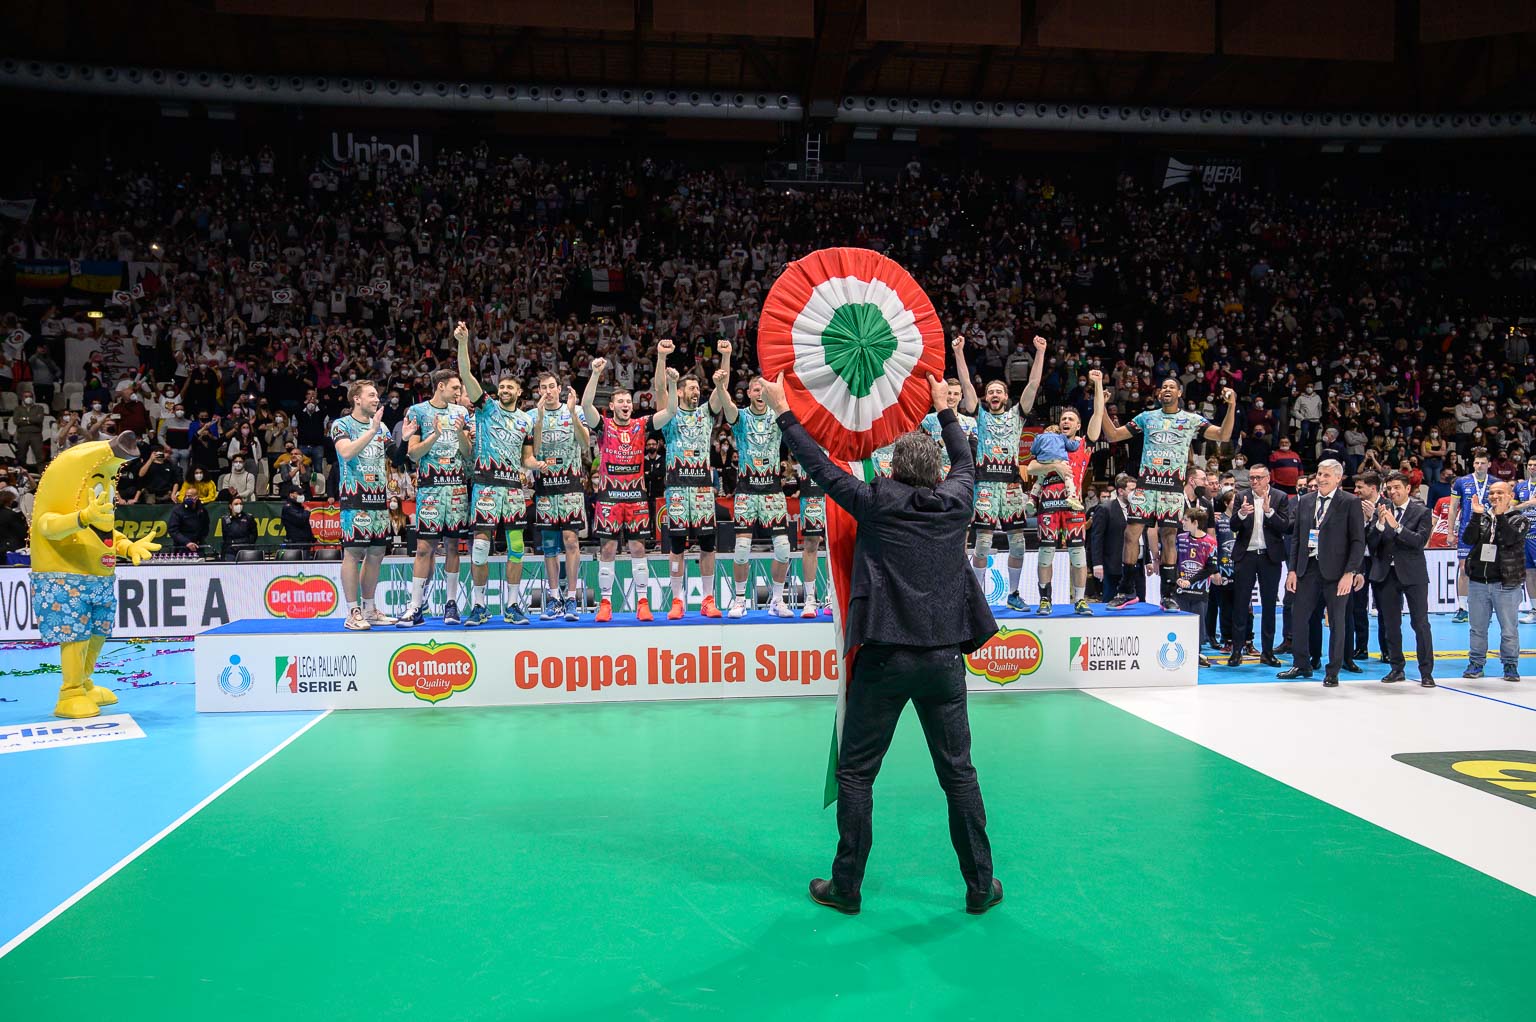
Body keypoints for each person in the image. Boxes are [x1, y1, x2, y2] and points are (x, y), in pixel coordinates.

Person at [765, 372, 1001, 917]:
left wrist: (784, 412)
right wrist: (944, 411)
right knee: (958, 773)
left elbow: (820, 469)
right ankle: (980, 886)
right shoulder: (957, 502)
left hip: (884, 659)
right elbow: (968, 463)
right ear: (937, 473)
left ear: (893, 470)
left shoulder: (874, 502)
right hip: (944, 660)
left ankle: (847, 887)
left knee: (856, 774)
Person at [1090, 370, 1237, 611]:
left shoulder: (1191, 420)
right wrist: (1103, 407)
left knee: (1169, 537)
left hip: (1173, 487)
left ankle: (1168, 594)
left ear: (1179, 393)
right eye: (1163, 387)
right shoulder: (1147, 417)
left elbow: (1223, 434)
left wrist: (1231, 406)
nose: (1166, 389)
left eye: (1171, 386)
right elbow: (1113, 435)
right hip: (1146, 484)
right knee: (1130, 534)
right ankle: (1127, 590)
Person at [458, 321, 541, 627]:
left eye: (511, 387)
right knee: (480, 547)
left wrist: (537, 466)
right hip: (486, 487)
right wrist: (463, 342)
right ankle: (479, 605)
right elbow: (466, 375)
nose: (505, 389)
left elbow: (527, 458)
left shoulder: (525, 422)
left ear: (519, 392)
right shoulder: (486, 408)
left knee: (517, 548)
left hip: (514, 490)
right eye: (502, 386)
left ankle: (513, 605)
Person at [958, 335, 1046, 611]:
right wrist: (959, 352)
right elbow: (966, 385)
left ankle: (1014, 593)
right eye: (991, 392)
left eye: (999, 392)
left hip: (1010, 487)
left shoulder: (1017, 416)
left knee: (1018, 545)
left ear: (1006, 397)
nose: (995, 395)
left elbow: (1032, 385)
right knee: (982, 545)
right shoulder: (980, 416)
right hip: (984, 486)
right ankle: (979, 597)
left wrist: (1040, 352)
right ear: (987, 397)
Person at [582, 348, 665, 623]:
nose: (626, 404)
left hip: (636, 498)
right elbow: (585, 407)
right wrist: (595, 374)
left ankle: (643, 602)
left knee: (638, 549)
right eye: (620, 401)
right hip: (609, 497)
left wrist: (668, 376)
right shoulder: (603, 426)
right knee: (607, 550)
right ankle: (605, 604)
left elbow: (671, 411)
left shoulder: (642, 425)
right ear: (613, 406)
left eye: (628, 400)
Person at [651, 338, 729, 620]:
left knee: (708, 544)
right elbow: (660, 388)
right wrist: (661, 358)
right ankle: (678, 600)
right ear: (681, 391)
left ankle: (708, 599)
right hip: (676, 488)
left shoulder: (706, 413)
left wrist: (725, 358)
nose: (697, 391)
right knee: (676, 545)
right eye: (692, 387)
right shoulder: (669, 413)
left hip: (703, 490)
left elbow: (722, 389)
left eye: (699, 388)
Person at [1279, 460, 1366, 687]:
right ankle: (1302, 664)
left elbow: (1358, 541)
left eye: (1327, 475)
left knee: (1337, 622)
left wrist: (1350, 572)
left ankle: (1333, 671)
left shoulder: (1350, 502)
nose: (1321, 479)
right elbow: (1297, 538)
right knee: (1299, 617)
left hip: (1337, 573)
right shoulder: (1306, 501)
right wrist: (1292, 570)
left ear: (1338, 478)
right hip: (1307, 570)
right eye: (1319, 474)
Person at [398, 368, 473, 627]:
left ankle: (451, 604)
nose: (459, 392)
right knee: (423, 549)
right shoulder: (417, 412)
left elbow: (468, 454)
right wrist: (436, 435)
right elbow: (414, 454)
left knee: (453, 547)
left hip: (456, 490)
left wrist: (462, 434)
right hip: (429, 489)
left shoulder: (462, 413)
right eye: (455, 388)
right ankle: (415, 607)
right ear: (440, 386)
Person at [724, 372, 794, 618]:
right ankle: (740, 600)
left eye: (763, 389)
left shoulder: (778, 416)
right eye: (756, 389)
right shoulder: (740, 417)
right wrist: (722, 384)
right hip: (746, 491)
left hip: (773, 492)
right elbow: (727, 405)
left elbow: (784, 396)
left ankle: (777, 601)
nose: (760, 393)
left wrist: (782, 376)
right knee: (742, 549)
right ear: (749, 393)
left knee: (784, 549)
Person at [330, 379, 397, 630]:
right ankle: (352, 612)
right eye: (371, 395)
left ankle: (369, 609)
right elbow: (346, 453)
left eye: (377, 394)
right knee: (354, 553)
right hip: (354, 498)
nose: (376, 398)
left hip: (379, 499)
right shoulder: (341, 425)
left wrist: (409, 439)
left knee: (377, 554)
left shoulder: (383, 428)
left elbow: (397, 457)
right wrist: (372, 430)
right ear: (356, 398)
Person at [529, 373, 591, 621]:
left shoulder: (573, 411)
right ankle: (554, 598)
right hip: (545, 487)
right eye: (543, 388)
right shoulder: (533, 415)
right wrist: (541, 417)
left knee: (571, 541)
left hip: (571, 485)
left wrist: (574, 413)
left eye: (552, 387)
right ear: (538, 391)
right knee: (550, 546)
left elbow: (585, 443)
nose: (548, 391)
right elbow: (532, 451)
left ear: (559, 389)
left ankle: (572, 597)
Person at [1368, 471, 1435, 686]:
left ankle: (1426, 672)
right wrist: (1379, 524)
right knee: (1390, 624)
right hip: (1386, 574)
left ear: (1408, 489)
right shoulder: (1382, 509)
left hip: (1413, 574)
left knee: (1420, 623)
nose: (1393, 491)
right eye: (1389, 488)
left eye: (1397, 487)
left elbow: (1418, 541)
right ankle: (1396, 668)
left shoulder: (1421, 512)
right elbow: (1371, 543)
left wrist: (1396, 526)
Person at [1460, 481, 1529, 683]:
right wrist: (1475, 515)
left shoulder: (1520, 519)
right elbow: (1469, 538)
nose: (1494, 496)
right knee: (1477, 628)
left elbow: (1508, 539)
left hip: (1506, 583)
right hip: (1479, 582)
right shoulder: (1482, 517)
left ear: (1510, 496)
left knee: (1508, 628)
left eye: (1500, 492)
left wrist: (1499, 516)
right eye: (1491, 492)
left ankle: (1510, 664)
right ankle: (1476, 663)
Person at [1226, 464, 1291, 667]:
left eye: (1258, 478)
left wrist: (1270, 512)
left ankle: (1268, 652)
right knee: (1240, 604)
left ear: (1267, 478)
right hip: (1246, 556)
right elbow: (1233, 525)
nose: (1254, 481)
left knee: (1270, 605)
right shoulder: (1242, 496)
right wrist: (1242, 514)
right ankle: (1237, 651)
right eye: (1252, 477)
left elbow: (1286, 526)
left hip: (1269, 557)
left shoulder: (1280, 497)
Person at [1031, 410, 1093, 615]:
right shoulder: (1049, 442)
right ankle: (1045, 599)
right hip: (1048, 503)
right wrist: (1055, 465)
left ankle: (1080, 600)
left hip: (1073, 504)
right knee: (1046, 553)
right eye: (1063, 418)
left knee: (1078, 555)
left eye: (1071, 419)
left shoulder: (1082, 445)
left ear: (1078, 426)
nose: (1066, 421)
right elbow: (1030, 468)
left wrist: (1099, 386)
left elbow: (1098, 417)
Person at [1447, 447, 1494, 624]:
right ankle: (1462, 608)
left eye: (1482, 463)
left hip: (1489, 534)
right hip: (1467, 533)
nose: (1479, 466)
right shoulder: (1461, 482)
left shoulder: (1495, 483)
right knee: (1464, 569)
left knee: (1486, 570)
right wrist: (1450, 532)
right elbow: (1453, 508)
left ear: (1489, 465)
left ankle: (1485, 609)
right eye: (1476, 463)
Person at [1343, 472, 1384, 670]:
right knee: (1357, 606)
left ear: (1373, 488)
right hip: (1359, 561)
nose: (1356, 491)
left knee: (1384, 607)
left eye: (1360, 487)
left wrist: (1370, 520)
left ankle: (1387, 650)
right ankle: (1361, 647)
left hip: (1380, 560)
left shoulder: (1387, 505)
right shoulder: (1352, 505)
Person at [1172, 507, 1220, 668]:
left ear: (1195, 522)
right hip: (1180, 590)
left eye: (1185, 519)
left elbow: (1210, 568)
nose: (1182, 522)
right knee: (1180, 624)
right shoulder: (1180, 538)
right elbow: (1173, 560)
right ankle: (1179, 654)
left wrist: (1190, 581)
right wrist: (1178, 578)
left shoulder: (1210, 542)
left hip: (1200, 591)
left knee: (1198, 625)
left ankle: (1196, 654)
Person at [1088, 474, 1143, 604]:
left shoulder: (1140, 509)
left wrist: (1148, 561)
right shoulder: (1105, 509)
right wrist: (1097, 564)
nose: (1135, 494)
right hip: (1114, 566)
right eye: (1131, 490)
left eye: (1137, 490)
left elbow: (1142, 536)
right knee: (1111, 603)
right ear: (1120, 491)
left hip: (1138, 566)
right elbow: (1096, 538)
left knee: (1140, 605)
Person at [791, 454, 830, 617]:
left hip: (835, 478)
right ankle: (809, 599)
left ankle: (831, 597)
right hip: (811, 479)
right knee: (811, 542)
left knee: (834, 543)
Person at [1512, 453, 1536, 624]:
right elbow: (1512, 508)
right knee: (1529, 573)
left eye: (1535, 465)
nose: (1532, 467)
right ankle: (1534, 611)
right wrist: (1527, 504)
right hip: (1525, 536)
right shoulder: (1520, 487)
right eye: (1530, 465)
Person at [13, 389, 45, 470]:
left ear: (33, 397)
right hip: (22, 435)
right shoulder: (18, 409)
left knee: (40, 456)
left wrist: (24, 419)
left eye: (30, 396)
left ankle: (42, 475)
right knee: (21, 456)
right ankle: (22, 475)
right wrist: (31, 419)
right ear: (22, 398)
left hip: (36, 434)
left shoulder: (39, 408)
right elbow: (16, 420)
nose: (28, 398)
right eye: (26, 396)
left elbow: (39, 420)